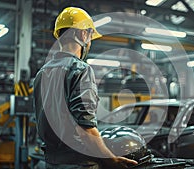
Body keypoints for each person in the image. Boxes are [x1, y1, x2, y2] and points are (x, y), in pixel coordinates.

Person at [33, 7, 138, 169]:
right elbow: (85, 128)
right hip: (79, 163)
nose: (89, 42)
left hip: (51, 162)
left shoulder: (42, 73)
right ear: (82, 34)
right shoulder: (80, 70)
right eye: (90, 36)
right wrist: (111, 160)